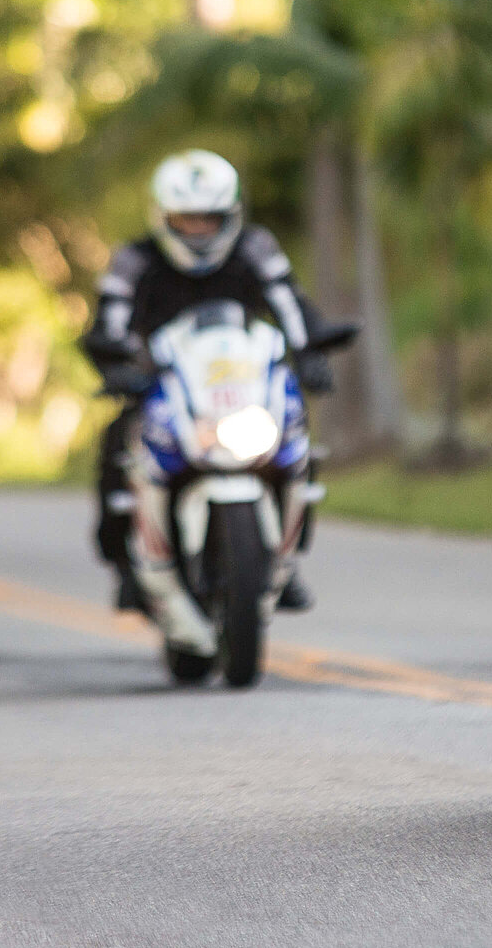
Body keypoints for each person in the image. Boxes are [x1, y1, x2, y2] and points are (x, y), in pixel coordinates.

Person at [83, 149, 336, 614]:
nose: (199, 230)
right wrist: (113, 363)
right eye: (187, 220)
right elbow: (110, 321)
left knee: (295, 445)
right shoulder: (134, 261)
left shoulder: (255, 249)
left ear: (231, 216)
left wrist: (312, 353)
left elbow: (290, 304)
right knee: (117, 443)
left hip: (241, 389)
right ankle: (126, 566)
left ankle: (283, 559)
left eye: (210, 219)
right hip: (162, 386)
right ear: (163, 217)